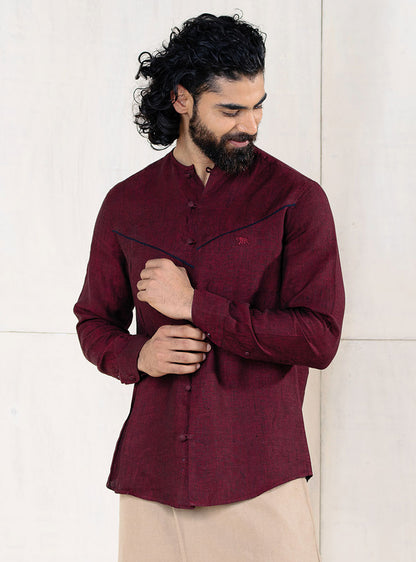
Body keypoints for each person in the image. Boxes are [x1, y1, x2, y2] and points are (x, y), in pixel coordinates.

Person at [74, 13, 344, 562]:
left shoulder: (296, 199)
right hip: (152, 479)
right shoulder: (126, 204)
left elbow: (319, 338)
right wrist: (139, 354)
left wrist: (196, 305)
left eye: (258, 105)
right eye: (230, 110)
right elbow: (94, 322)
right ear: (182, 99)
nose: (251, 124)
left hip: (259, 476)